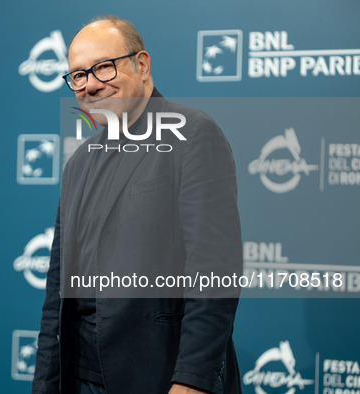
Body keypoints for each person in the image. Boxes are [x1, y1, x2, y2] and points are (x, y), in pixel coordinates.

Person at [33, 15, 242, 394]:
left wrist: (191, 383)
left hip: (159, 377)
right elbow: (57, 294)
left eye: (103, 67)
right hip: (80, 380)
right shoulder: (77, 164)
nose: (91, 85)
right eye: (78, 75)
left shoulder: (193, 134)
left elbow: (214, 273)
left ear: (141, 65)